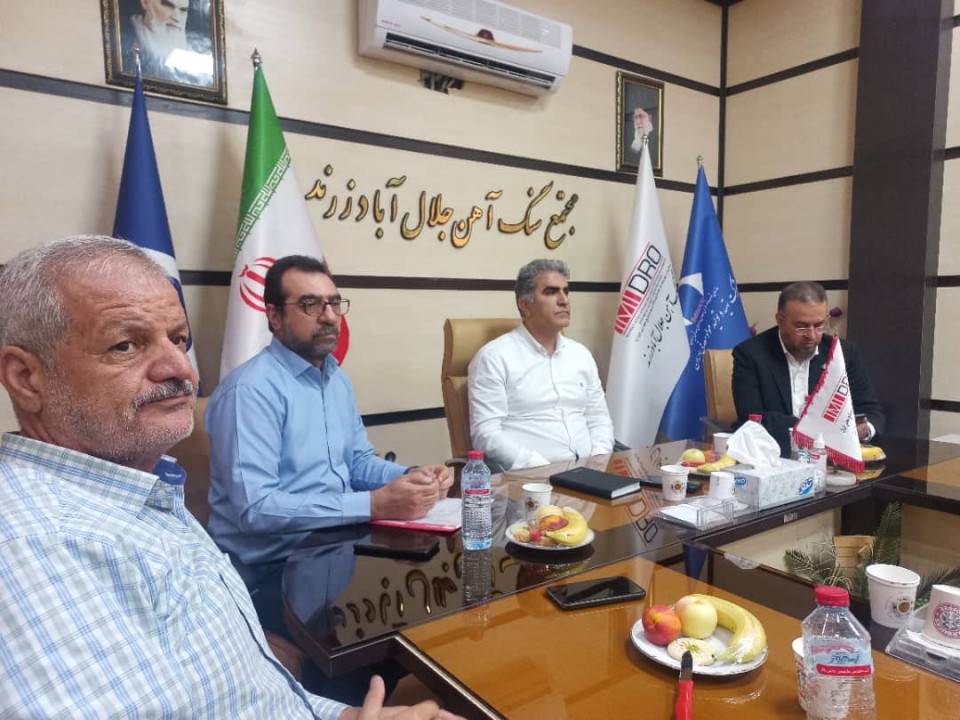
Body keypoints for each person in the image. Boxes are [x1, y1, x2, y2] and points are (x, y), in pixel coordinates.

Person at [0, 236, 459, 719]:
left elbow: (250, 695)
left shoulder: (152, 487)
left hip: (338, 549)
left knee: (431, 612)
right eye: (125, 344)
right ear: (27, 378)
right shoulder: (33, 543)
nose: (180, 368)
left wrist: (410, 477)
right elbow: (256, 509)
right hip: (277, 567)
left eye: (179, 339)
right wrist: (375, 504)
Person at [468, 258, 614, 471]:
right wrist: (538, 467)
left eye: (566, 291)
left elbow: (598, 417)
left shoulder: (581, 355)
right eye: (551, 292)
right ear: (525, 306)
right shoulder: (494, 358)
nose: (564, 300)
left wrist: (599, 459)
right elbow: (485, 434)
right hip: (530, 477)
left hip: (590, 472)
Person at [732, 281, 885, 458]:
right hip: (772, 454)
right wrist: (820, 431)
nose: (812, 335)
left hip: (831, 459)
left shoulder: (842, 353)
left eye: (819, 325)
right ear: (780, 321)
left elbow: (871, 410)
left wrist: (864, 430)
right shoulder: (750, 354)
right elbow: (752, 417)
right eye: (802, 326)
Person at [122, 0, 214, 86]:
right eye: (168, 5)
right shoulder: (123, 41)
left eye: (183, 10)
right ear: (145, 2)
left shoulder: (196, 59)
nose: (177, 17)